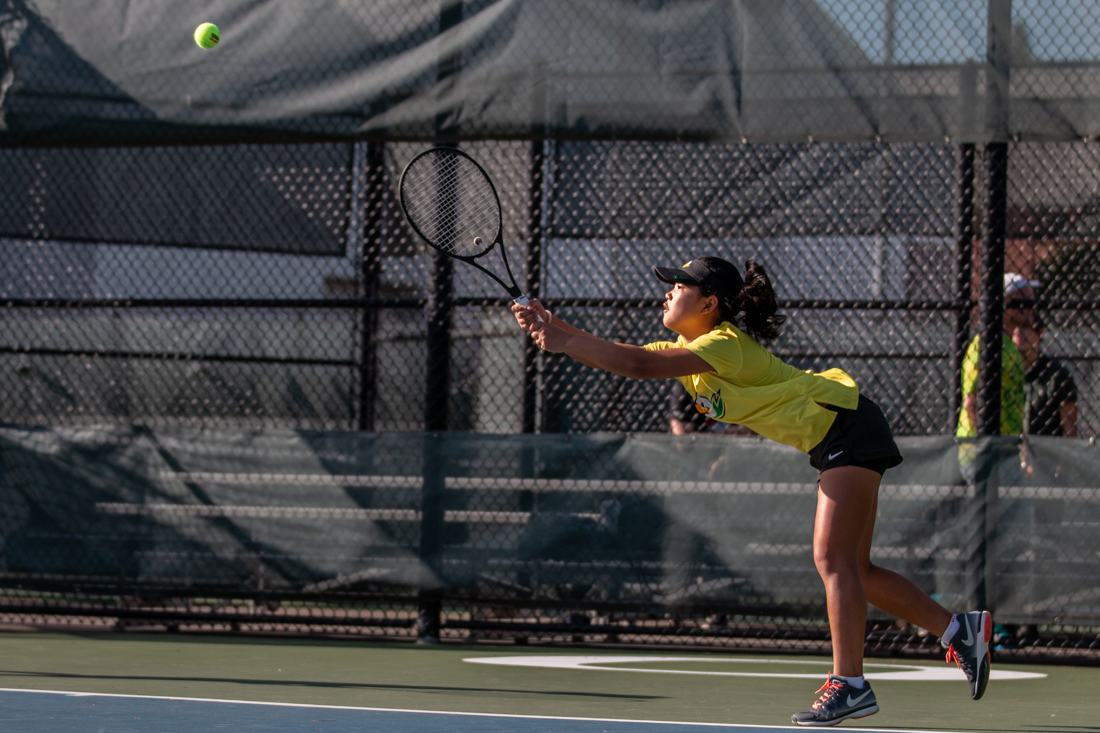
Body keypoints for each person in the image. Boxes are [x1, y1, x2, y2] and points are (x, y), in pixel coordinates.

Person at [513, 256, 993, 726]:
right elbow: (624, 353)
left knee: (832, 560)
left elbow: (635, 364)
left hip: (844, 424)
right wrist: (557, 328)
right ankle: (959, 630)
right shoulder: (692, 357)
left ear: (709, 304)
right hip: (835, 434)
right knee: (856, 571)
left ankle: (850, 685)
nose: (667, 292)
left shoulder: (724, 344)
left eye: (679, 286)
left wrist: (560, 339)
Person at [1013, 314, 1078, 437]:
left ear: (1040, 332)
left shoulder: (1057, 375)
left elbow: (1070, 431)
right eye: (1014, 326)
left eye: (1025, 326)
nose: (1018, 332)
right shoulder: (1005, 371)